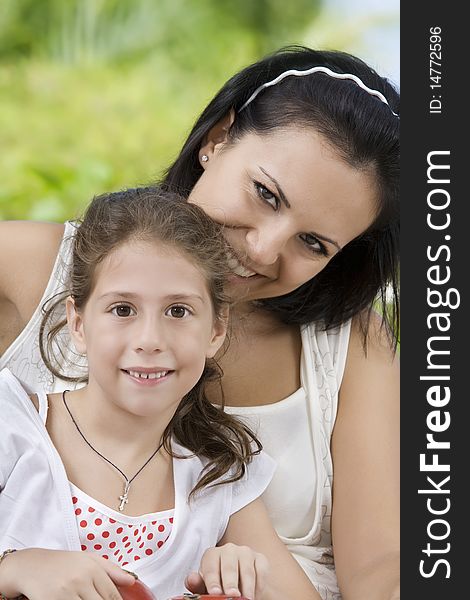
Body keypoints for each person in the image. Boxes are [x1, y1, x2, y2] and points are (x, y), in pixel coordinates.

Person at [0, 46, 400, 600]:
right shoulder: (38, 273)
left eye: (313, 243)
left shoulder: (351, 345)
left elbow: (383, 568)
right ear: (217, 138)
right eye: (265, 194)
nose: (263, 250)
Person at [0, 186, 321, 600]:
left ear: (216, 330)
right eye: (122, 310)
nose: (150, 340)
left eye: (178, 311)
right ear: (79, 324)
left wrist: (243, 574)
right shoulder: (13, 428)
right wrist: (15, 567)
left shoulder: (218, 479)